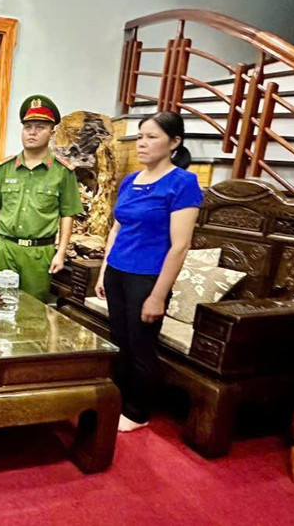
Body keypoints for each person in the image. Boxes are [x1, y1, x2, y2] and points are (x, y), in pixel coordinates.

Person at [94, 110, 201, 432]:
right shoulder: (130, 180)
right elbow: (116, 229)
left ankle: (138, 412)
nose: (142, 143)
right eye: (140, 136)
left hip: (147, 277)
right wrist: (103, 271)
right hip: (117, 271)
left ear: (174, 142)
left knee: (140, 346)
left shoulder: (182, 183)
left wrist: (158, 295)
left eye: (152, 137)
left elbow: (180, 246)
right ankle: (118, 400)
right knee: (119, 341)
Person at [0, 95, 83, 302]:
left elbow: (67, 214)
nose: (32, 132)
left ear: (52, 133)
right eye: (28, 127)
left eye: (40, 127)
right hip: (6, 248)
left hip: (39, 252)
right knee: (0, 305)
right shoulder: (5, 168)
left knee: (34, 309)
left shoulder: (62, 172)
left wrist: (61, 252)